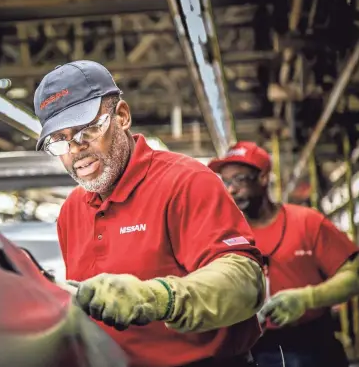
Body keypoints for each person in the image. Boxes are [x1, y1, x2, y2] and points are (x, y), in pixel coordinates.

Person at [33, 60, 266, 367]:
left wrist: (156, 297)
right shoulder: (71, 211)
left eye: (87, 130)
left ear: (122, 116)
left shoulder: (185, 181)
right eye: (60, 140)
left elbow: (244, 282)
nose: (75, 149)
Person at [208, 141, 359, 367]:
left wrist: (307, 299)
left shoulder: (306, 222)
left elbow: (353, 275)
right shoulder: (223, 234)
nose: (231, 189)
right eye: (226, 181)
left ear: (263, 178)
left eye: (240, 179)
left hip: (311, 347)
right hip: (250, 349)